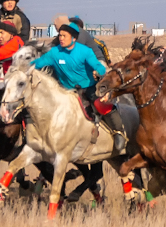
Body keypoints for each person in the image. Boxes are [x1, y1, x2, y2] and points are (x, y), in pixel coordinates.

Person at [32, 22, 125, 151]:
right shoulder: (54, 52)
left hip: (88, 88)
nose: (61, 38)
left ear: (74, 38)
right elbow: (37, 63)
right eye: (60, 35)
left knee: (100, 104)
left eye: (64, 36)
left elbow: (98, 66)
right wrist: (22, 67)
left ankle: (118, 132)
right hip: (66, 91)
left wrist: (99, 71)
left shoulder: (85, 51)